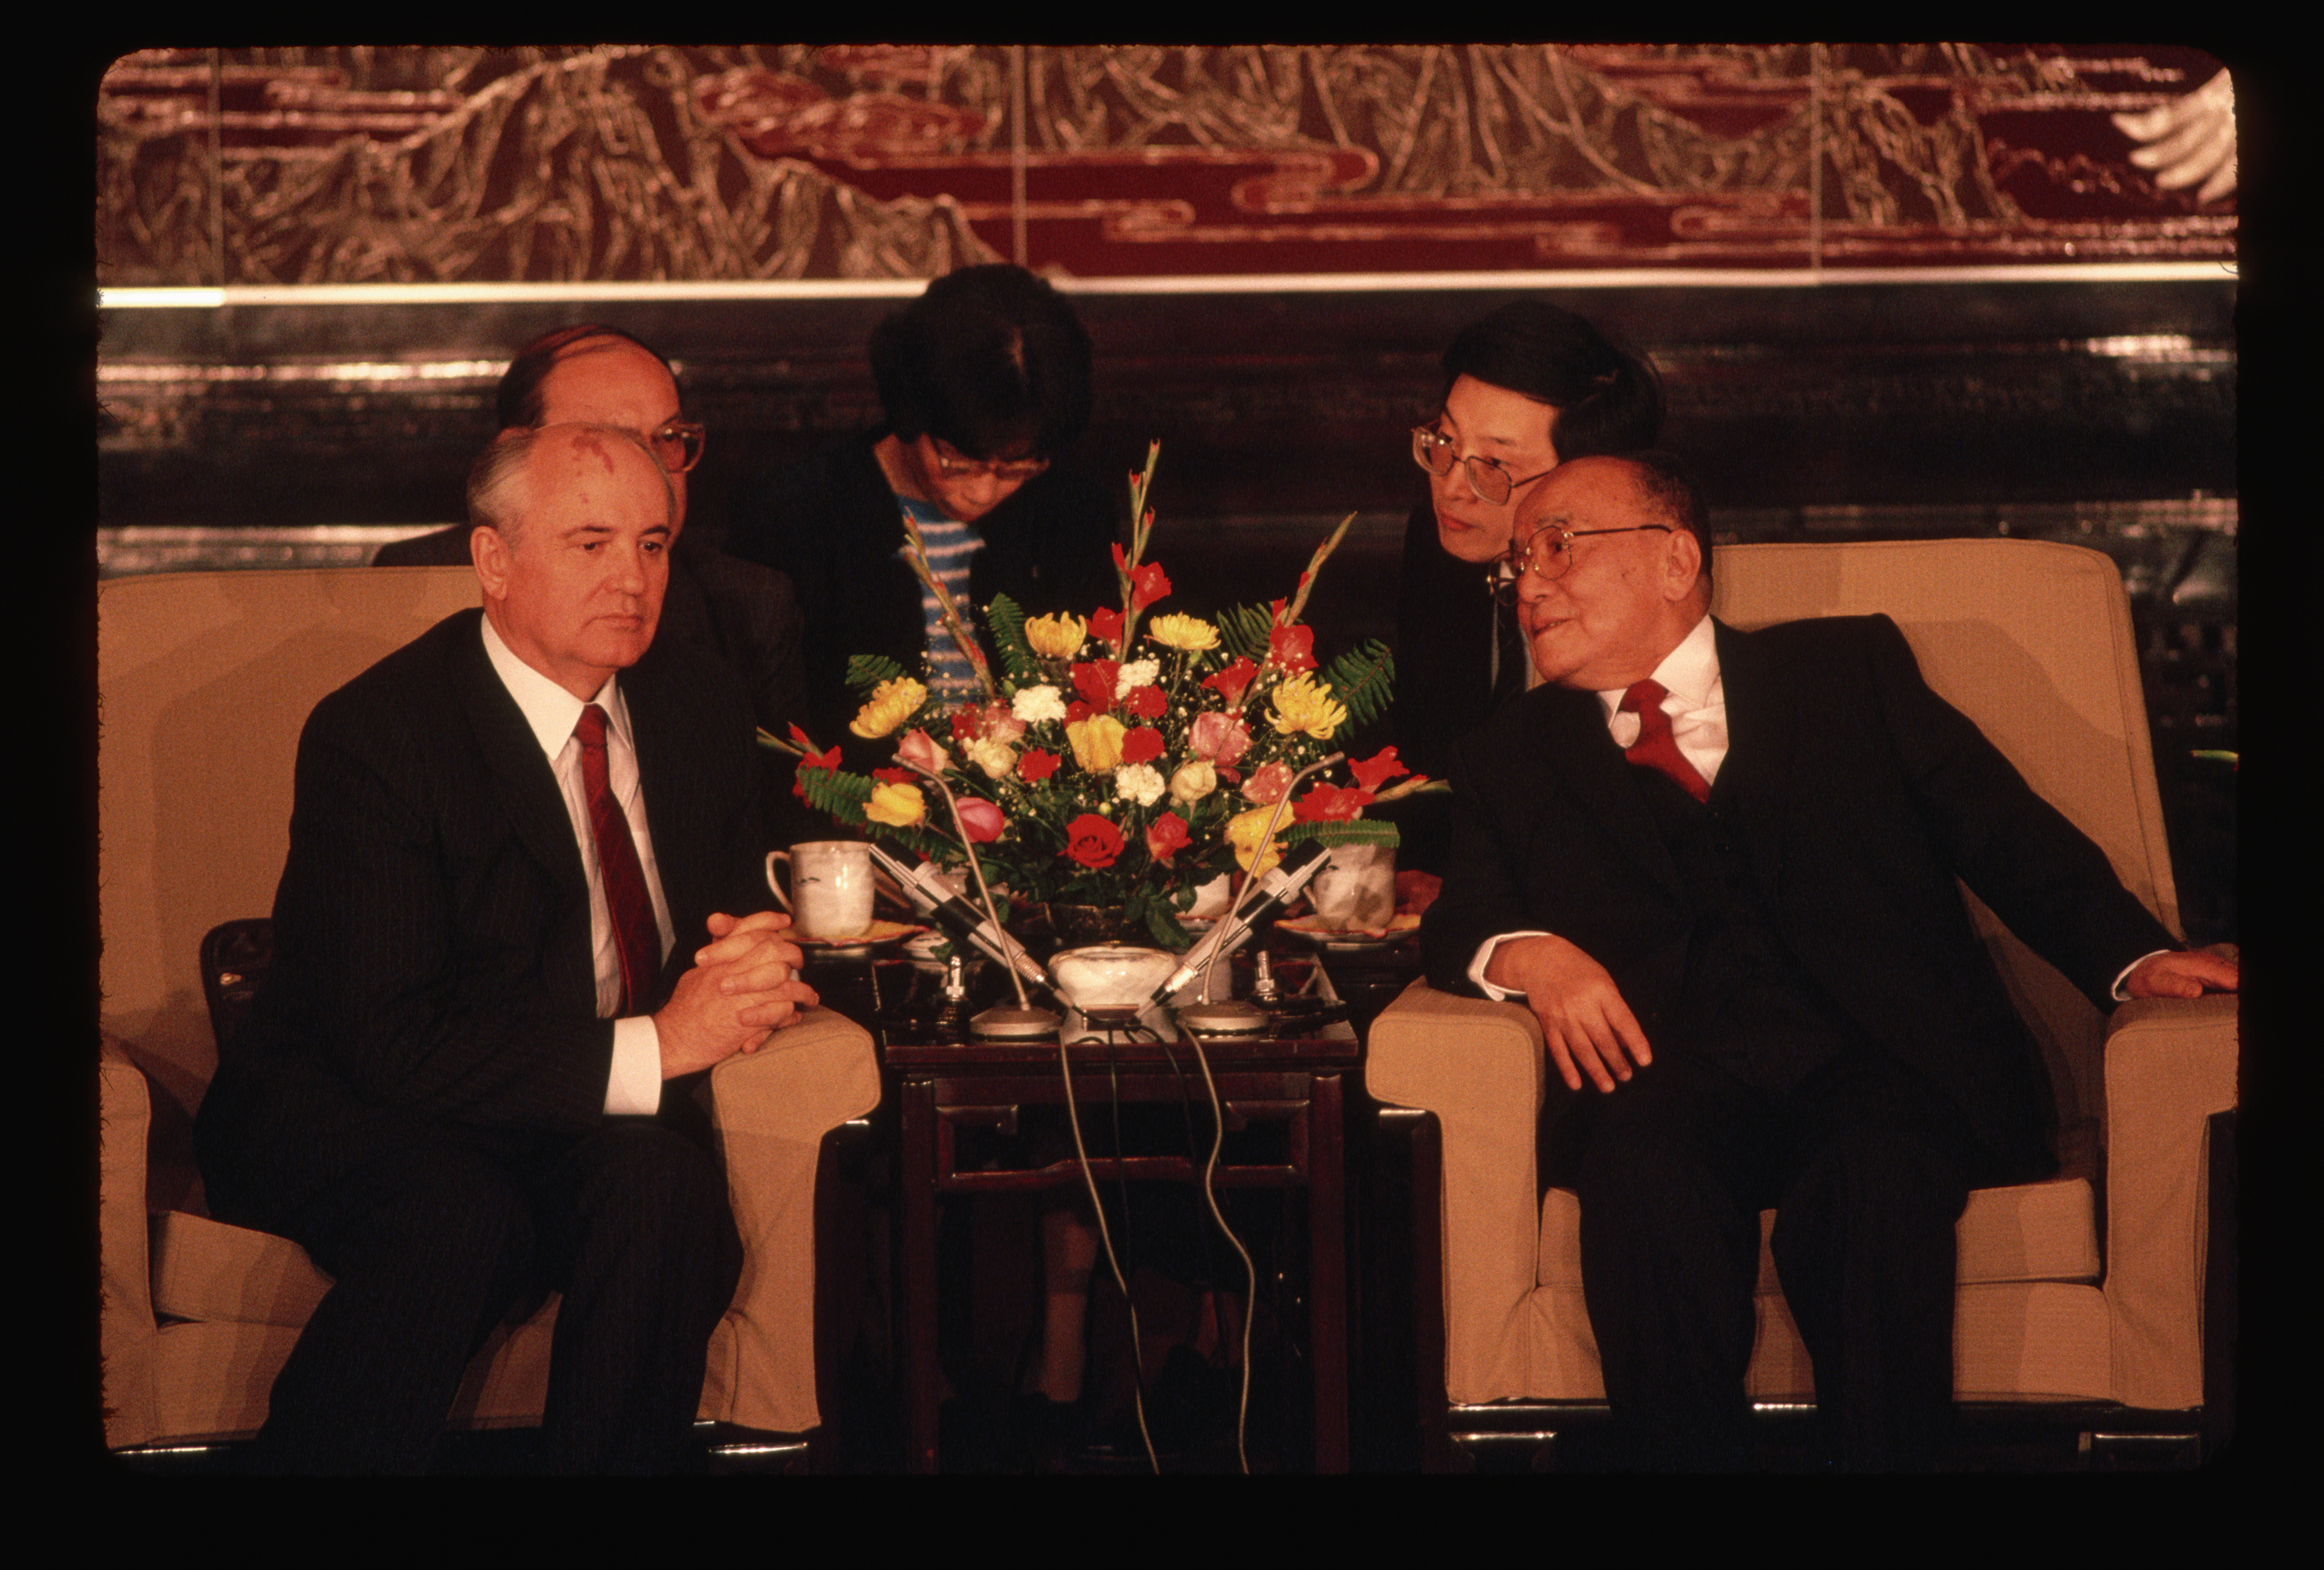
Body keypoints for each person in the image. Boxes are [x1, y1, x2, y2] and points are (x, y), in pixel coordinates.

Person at [1419, 452, 2238, 1471]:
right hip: (1671, 1076)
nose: (1527, 583)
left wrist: (2133, 961)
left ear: (1674, 559)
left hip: (1878, 1057)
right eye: (1513, 565)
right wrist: (1530, 958)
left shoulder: (1843, 672)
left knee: (1873, 1175)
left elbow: (2002, 834)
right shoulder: (1511, 751)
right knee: (1638, 1176)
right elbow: (1461, 922)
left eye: (1556, 545)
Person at [197, 424, 820, 1473]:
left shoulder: (698, 703)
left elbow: (716, 923)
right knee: (462, 1217)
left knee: (663, 1189)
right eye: (590, 544)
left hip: (569, 1096)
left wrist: (753, 957)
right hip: (354, 1097)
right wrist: (659, 1049)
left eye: (654, 544)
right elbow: (391, 1044)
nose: (631, 579)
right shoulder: (381, 733)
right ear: (494, 561)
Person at [375, 324, 810, 839]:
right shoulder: (418, 579)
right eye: (616, 441)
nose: (650, 467)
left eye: (669, 438)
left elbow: (792, 843)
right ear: (516, 451)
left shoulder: (745, 607)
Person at [726, 263, 1119, 753]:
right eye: (959, 461)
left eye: (1016, 468)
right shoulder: (796, 512)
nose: (982, 491)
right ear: (910, 410)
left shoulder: (1074, 513)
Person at [1388, 301, 1665, 878]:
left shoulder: (1631, 589)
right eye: (1443, 442)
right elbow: (1426, 756)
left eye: (1494, 466)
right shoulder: (1437, 542)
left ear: (1585, 476)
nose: (1452, 488)